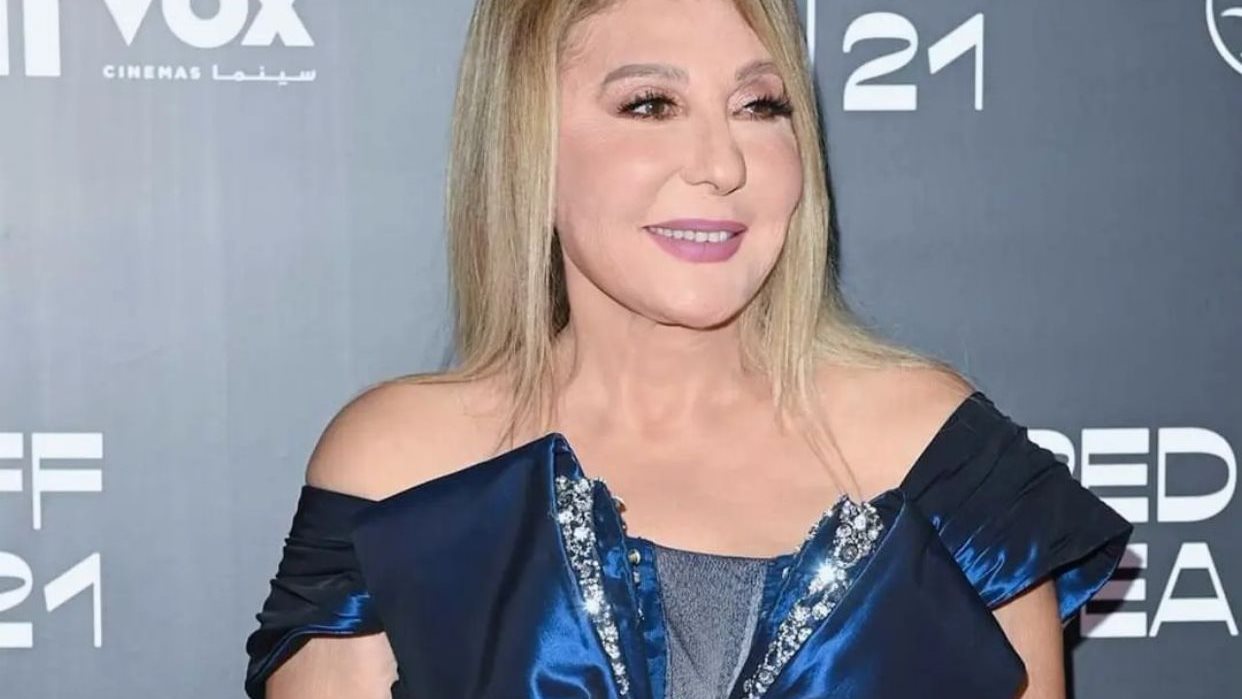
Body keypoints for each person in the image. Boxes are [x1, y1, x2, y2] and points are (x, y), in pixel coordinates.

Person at [244, 0, 1132, 697]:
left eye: (759, 105)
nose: (722, 163)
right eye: (651, 104)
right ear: (525, 146)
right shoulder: (403, 472)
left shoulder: (938, 456)